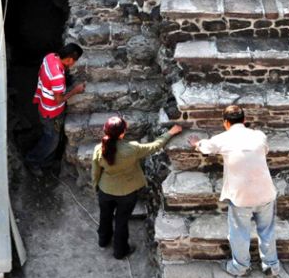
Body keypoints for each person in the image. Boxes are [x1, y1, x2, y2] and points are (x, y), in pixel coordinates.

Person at [188, 105, 280, 278]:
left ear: (225, 123)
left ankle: (240, 266)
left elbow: (206, 147)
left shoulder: (223, 139)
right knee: (267, 231)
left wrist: (196, 143)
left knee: (239, 233)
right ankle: (271, 266)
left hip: (241, 197)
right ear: (244, 120)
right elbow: (264, 150)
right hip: (265, 192)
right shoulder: (259, 135)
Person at [92, 116, 183, 259]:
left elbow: (95, 172)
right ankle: (120, 251)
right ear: (122, 133)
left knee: (105, 216)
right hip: (127, 193)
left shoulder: (99, 149)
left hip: (105, 190)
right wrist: (170, 132)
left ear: (106, 131)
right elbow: (155, 146)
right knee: (121, 222)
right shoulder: (132, 149)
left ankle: (103, 240)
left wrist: (96, 187)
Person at [26, 43, 86, 176]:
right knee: (51, 140)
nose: (74, 64)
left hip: (43, 104)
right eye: (75, 61)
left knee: (50, 135)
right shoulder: (57, 77)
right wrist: (75, 90)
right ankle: (33, 160)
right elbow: (58, 100)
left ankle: (46, 161)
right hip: (51, 112)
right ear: (69, 59)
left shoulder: (49, 57)